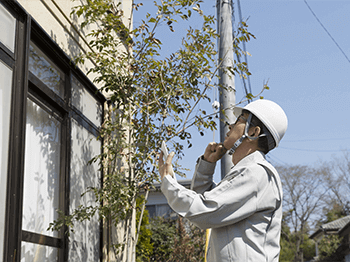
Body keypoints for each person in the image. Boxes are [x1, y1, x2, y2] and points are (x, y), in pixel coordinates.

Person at [158, 99, 288, 262]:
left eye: (239, 120)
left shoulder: (256, 173)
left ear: (253, 132)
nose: (230, 126)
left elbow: (204, 210)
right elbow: (210, 204)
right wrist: (207, 166)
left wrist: (168, 182)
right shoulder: (249, 172)